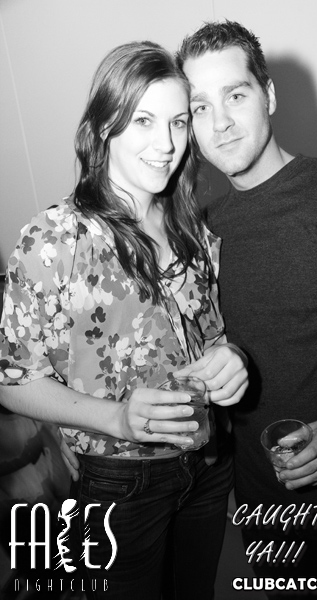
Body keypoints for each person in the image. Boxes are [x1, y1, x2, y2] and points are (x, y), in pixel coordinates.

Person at [0, 40, 248, 600]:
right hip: (119, 484)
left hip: (210, 466)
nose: (166, 144)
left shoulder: (194, 227)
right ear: (104, 127)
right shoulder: (53, 239)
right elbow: (12, 381)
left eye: (179, 122)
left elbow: (210, 337)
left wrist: (230, 359)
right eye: (143, 121)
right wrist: (114, 418)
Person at [174, 20, 317, 597]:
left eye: (236, 95)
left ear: (269, 96)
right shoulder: (200, 232)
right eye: (200, 107)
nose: (220, 123)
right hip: (262, 510)